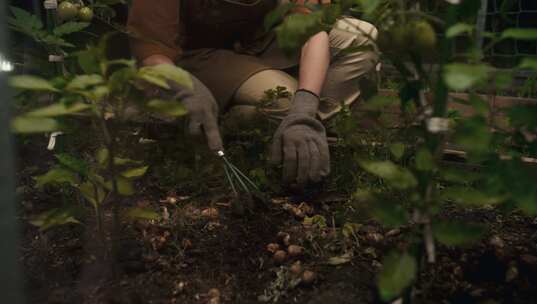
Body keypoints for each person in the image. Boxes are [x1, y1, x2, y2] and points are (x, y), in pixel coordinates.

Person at [127, 0, 379, 187]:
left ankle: (298, 129)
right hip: (199, 57)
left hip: (262, 40)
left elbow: (311, 27)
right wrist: (183, 85)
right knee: (282, 100)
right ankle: (248, 125)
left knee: (360, 38)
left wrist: (305, 107)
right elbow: (152, 49)